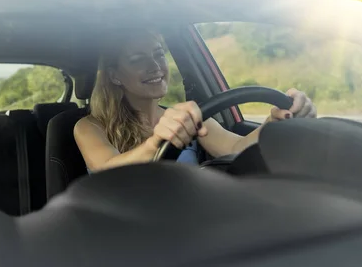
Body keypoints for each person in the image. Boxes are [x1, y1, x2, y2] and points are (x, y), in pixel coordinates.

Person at [74, 29, 317, 173]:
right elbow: (108, 169)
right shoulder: (89, 127)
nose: (155, 66)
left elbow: (235, 148)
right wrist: (156, 143)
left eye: (159, 55)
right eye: (139, 60)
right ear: (115, 75)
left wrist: (275, 123)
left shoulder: (189, 118)